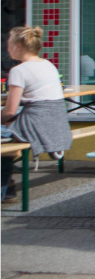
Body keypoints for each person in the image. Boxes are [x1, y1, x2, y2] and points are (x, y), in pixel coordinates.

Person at [1, 26, 71, 202]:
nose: (6, 47)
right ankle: (8, 189)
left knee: (4, 142)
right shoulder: (48, 65)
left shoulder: (19, 71)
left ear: (18, 45)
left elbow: (9, 110)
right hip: (56, 123)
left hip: (35, 124)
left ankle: (6, 189)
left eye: (8, 43)